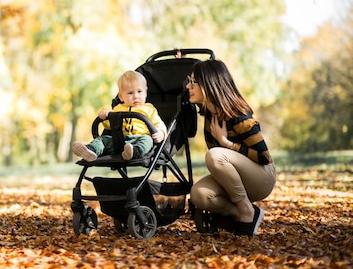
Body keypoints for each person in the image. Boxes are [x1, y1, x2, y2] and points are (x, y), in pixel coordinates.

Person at [186, 59, 276, 237]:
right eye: (189, 80)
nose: (188, 86)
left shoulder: (238, 114)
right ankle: (244, 212)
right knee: (198, 194)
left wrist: (227, 143)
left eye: (193, 82)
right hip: (237, 182)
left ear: (209, 84)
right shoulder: (210, 117)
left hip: (262, 178)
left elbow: (263, 156)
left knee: (214, 155)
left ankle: (246, 212)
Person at [72, 70, 167, 161]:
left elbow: (159, 123)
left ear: (146, 92)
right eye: (130, 93)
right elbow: (109, 125)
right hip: (119, 141)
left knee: (147, 140)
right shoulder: (118, 108)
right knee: (102, 139)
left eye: (139, 91)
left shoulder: (149, 109)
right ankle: (90, 150)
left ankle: (134, 152)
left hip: (139, 139)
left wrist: (161, 133)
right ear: (121, 96)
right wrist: (104, 114)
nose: (136, 96)